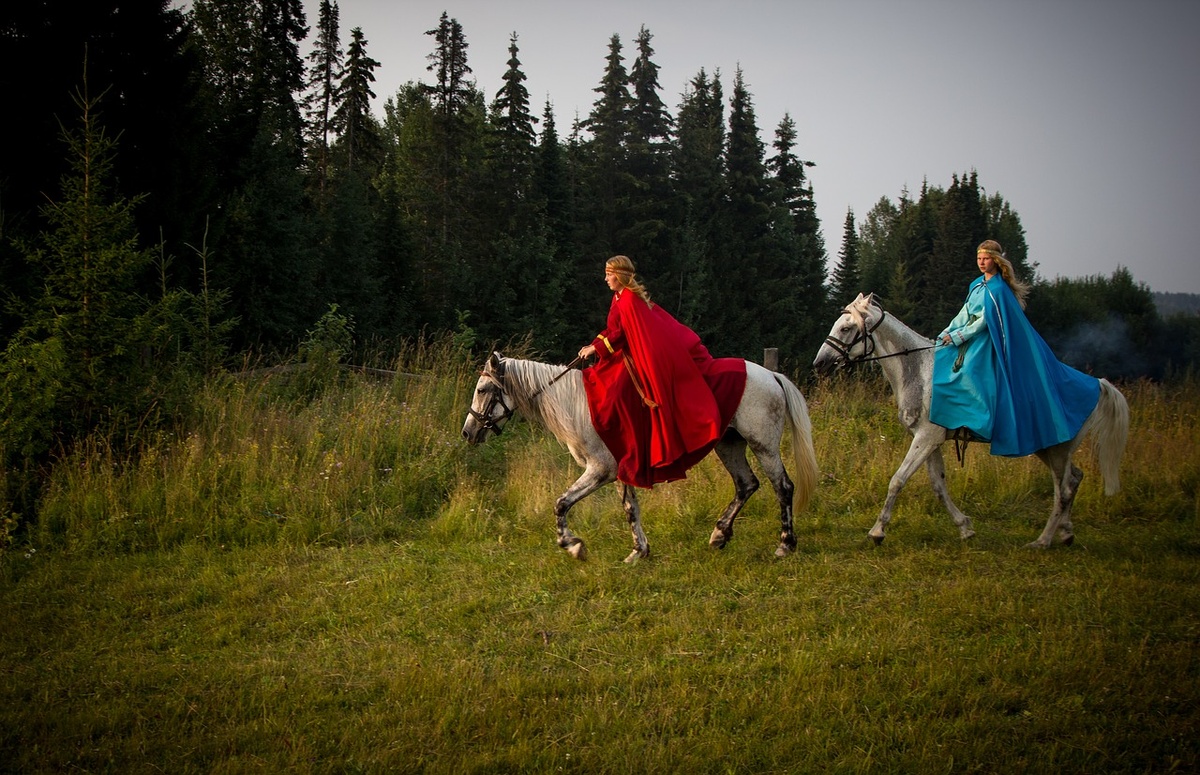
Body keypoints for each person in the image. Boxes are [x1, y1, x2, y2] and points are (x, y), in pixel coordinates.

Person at [578, 255, 745, 487]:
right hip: (625, 352)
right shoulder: (618, 297)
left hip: (638, 354)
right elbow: (612, 329)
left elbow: (621, 334)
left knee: (616, 391)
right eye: (606, 273)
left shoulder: (628, 300)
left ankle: (633, 445)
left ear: (620, 275)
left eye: (609, 274)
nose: (605, 278)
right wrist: (593, 345)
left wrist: (596, 349)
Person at [929, 239, 1100, 457]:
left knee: (971, 371)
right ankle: (949, 417)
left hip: (986, 340)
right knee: (942, 358)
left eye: (986, 258)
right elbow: (964, 313)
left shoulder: (999, 289)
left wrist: (958, 336)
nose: (981, 262)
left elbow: (983, 321)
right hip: (966, 336)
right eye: (979, 258)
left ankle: (977, 423)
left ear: (996, 260)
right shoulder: (977, 284)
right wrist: (947, 332)